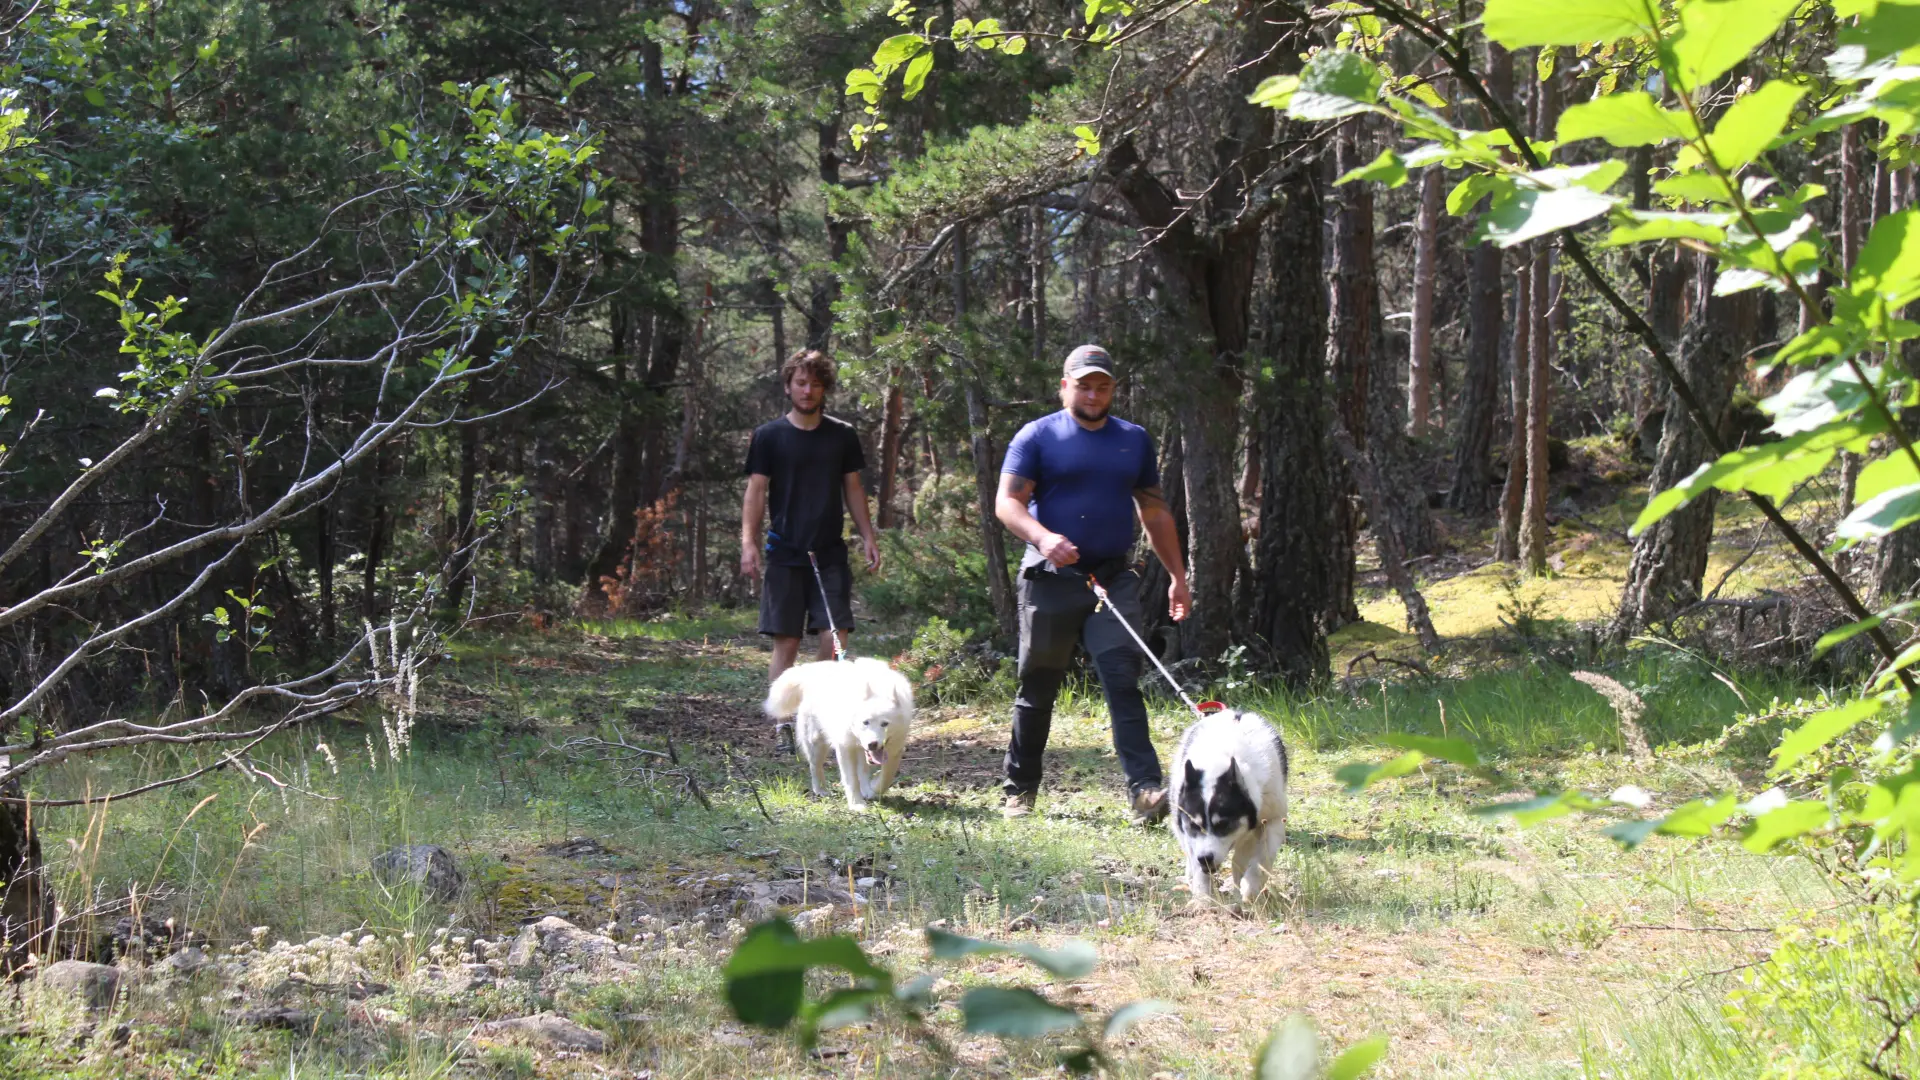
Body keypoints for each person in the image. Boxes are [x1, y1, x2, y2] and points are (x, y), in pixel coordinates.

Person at [994, 344, 1190, 824]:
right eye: (1084, 385)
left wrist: (1178, 577)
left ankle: (1145, 791)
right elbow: (1007, 503)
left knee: (1122, 679)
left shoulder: (1133, 440)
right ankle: (1019, 790)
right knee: (1037, 684)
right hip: (1050, 578)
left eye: (1102, 386)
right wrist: (1043, 538)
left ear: (1112, 390)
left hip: (1112, 579)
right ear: (1065, 386)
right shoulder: (1037, 436)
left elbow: (1154, 510)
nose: (1094, 394)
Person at [740, 349, 882, 753]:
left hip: (829, 552)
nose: (807, 390)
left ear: (824, 389)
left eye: (815, 384)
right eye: (801, 383)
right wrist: (748, 544)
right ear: (788, 386)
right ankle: (783, 721)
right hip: (784, 552)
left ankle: (817, 712)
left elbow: (853, 488)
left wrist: (868, 536)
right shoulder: (769, 436)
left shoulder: (841, 435)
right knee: (785, 642)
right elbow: (755, 491)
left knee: (835, 636)